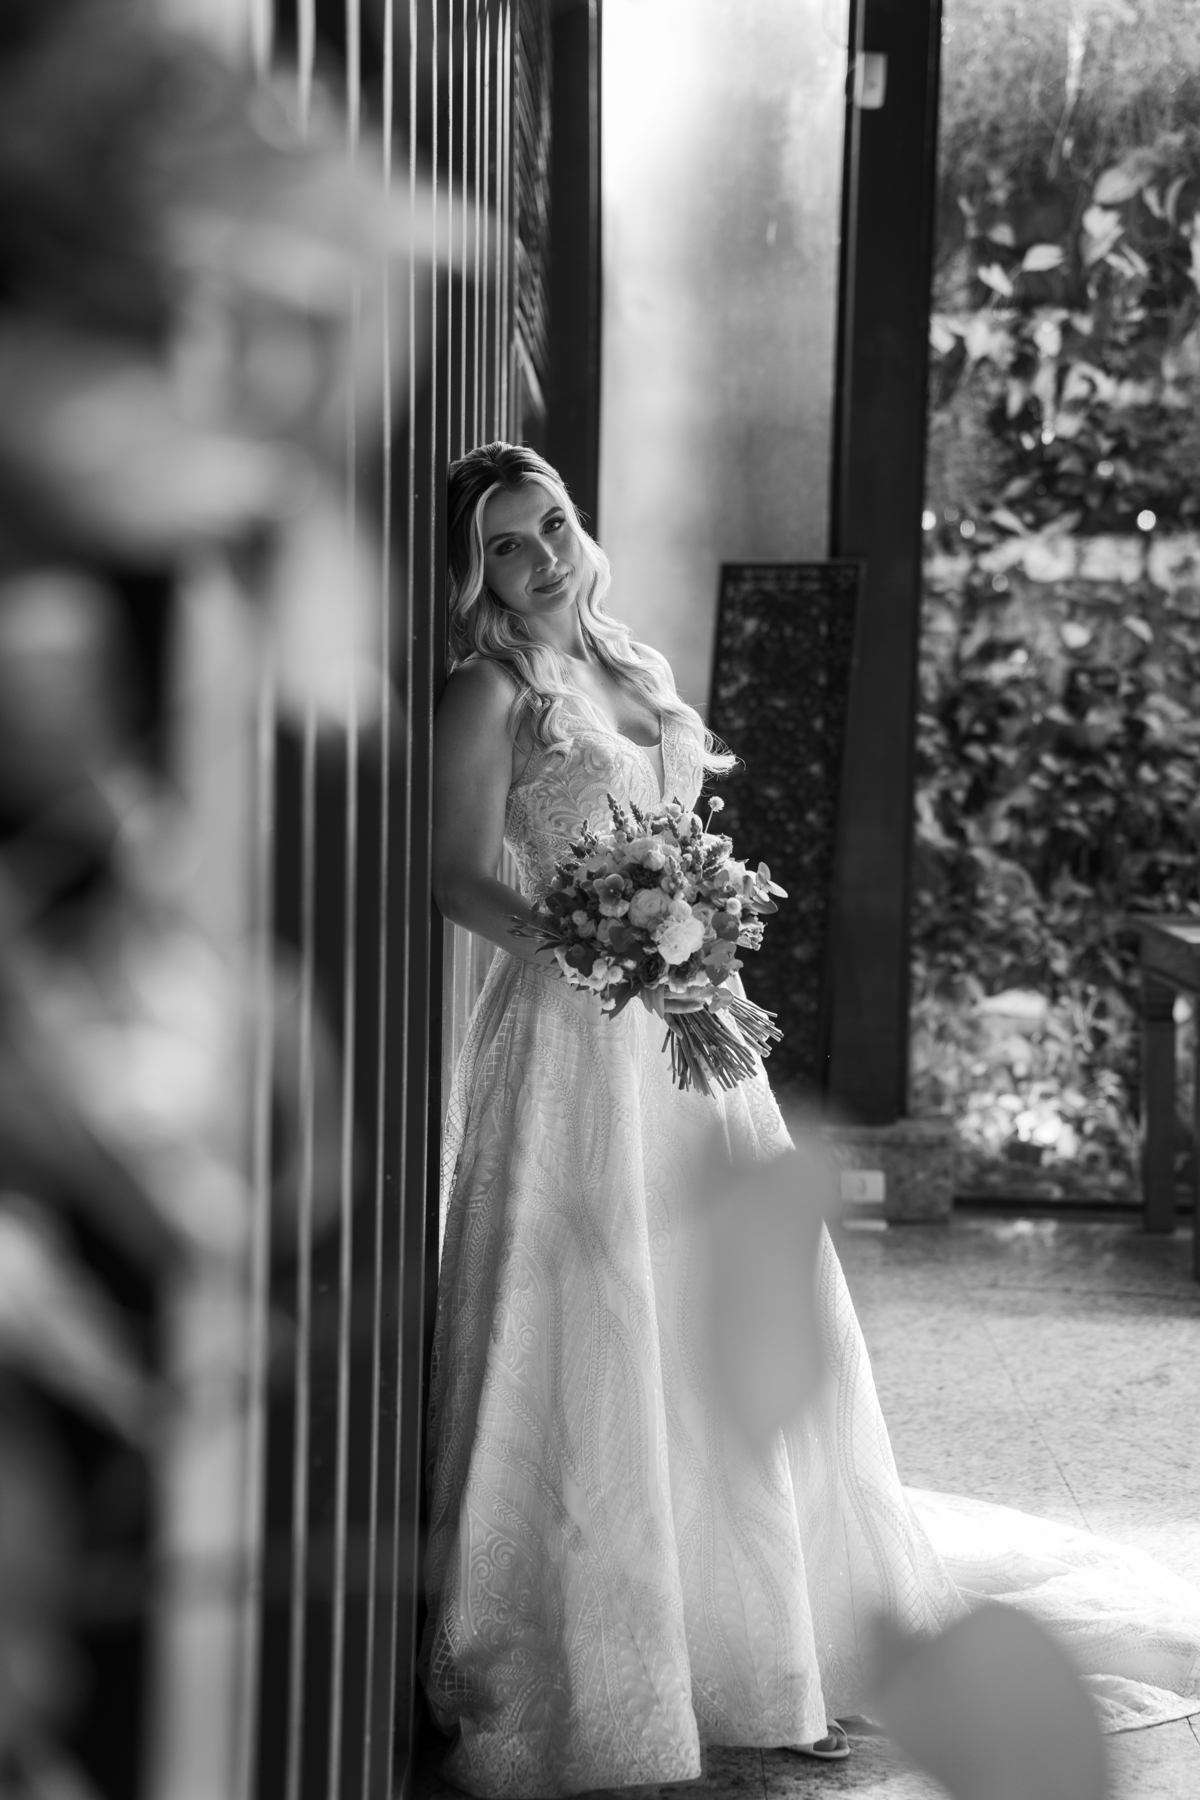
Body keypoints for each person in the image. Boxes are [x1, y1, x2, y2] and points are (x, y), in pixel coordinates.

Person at [419, 442, 1200, 1798]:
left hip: (691, 1029)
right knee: (604, 1318)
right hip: (573, 1044)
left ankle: (764, 1638)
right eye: (503, 543)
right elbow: (452, 876)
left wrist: (691, 948)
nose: (539, 558)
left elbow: (671, 841)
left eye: (549, 524)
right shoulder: (488, 690)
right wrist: (602, 952)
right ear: (471, 571)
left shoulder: (629, 661)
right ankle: (604, 1655)